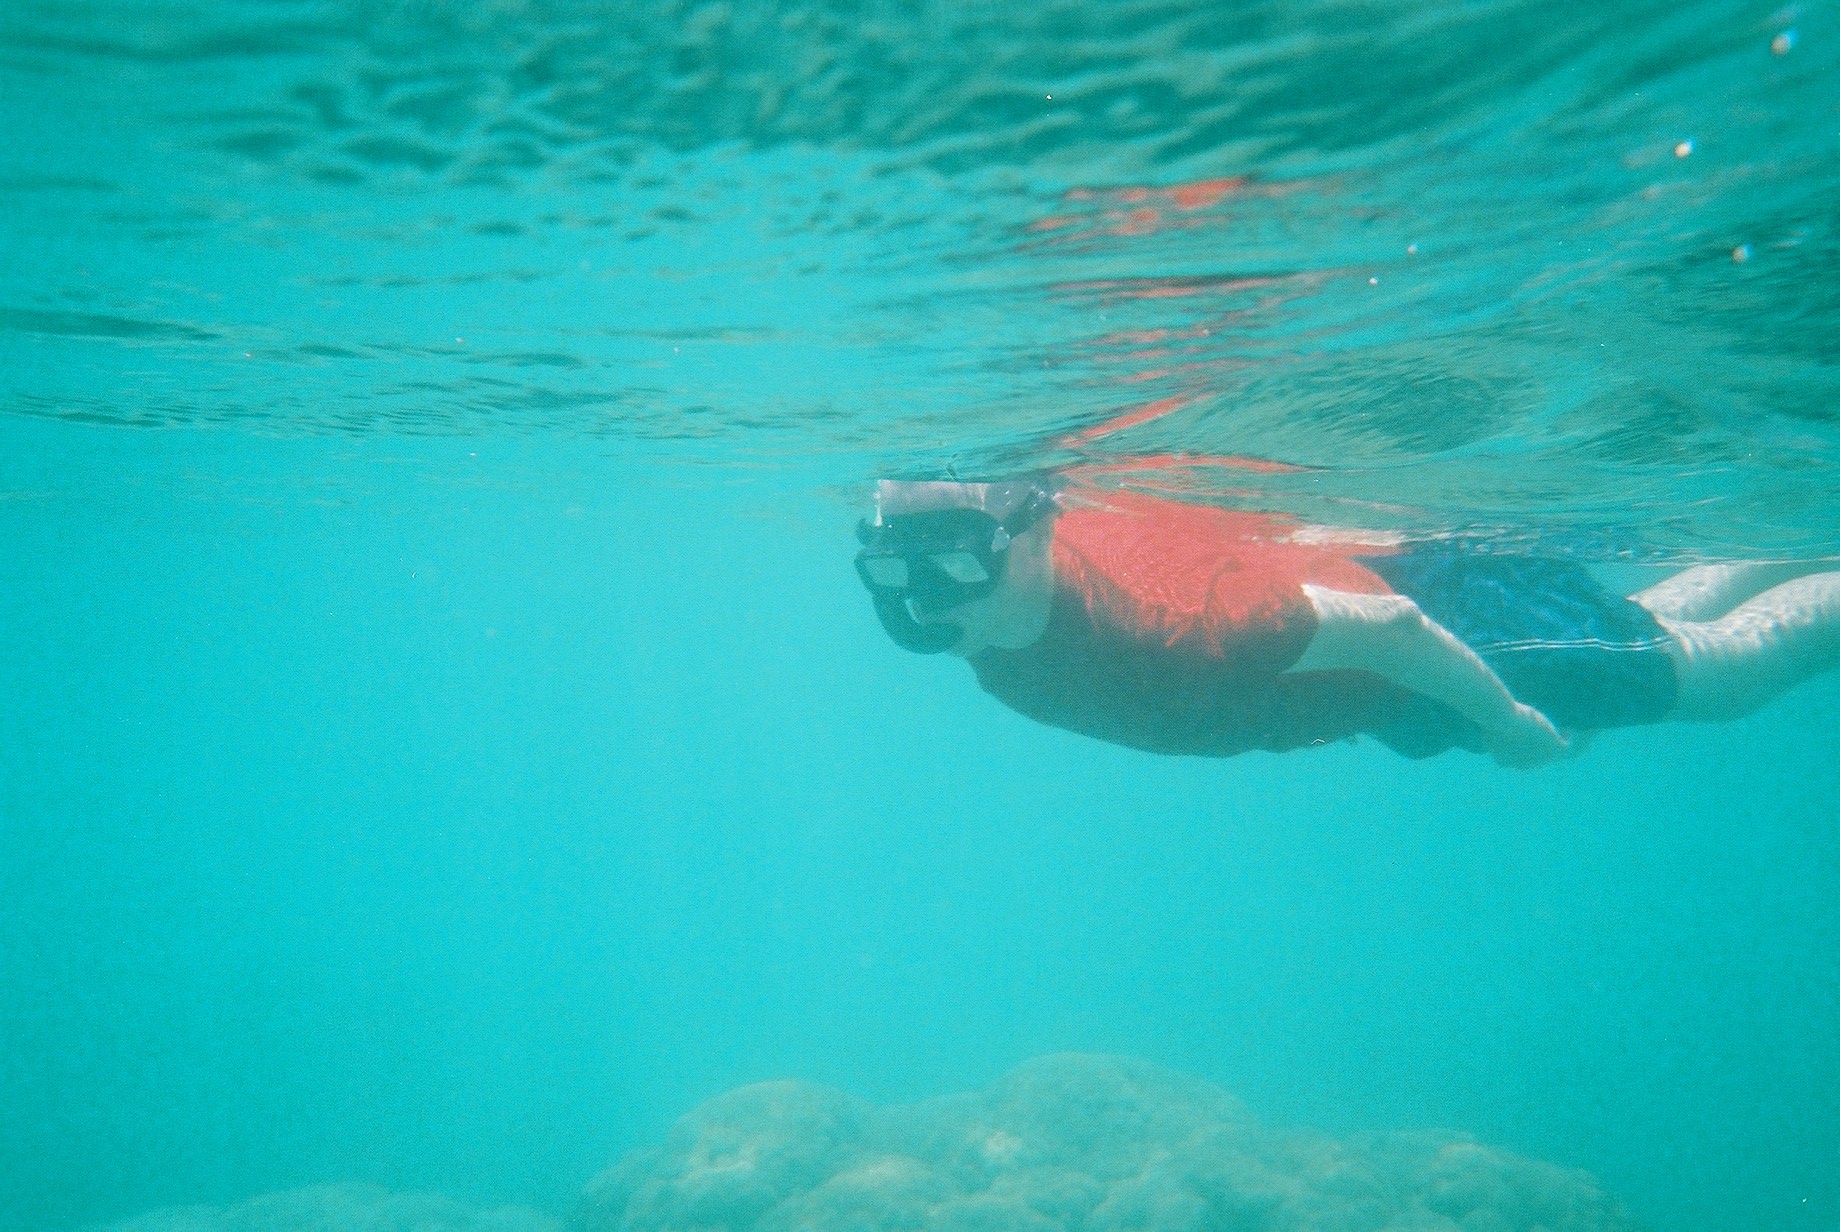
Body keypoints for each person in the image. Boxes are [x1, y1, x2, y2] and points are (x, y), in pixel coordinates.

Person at [852, 474, 1840, 766]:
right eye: (891, 566)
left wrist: (1504, 726)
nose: (923, 597)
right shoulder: (982, 622)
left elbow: (1388, 624)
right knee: (1646, 630)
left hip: (1446, 626)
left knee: (1709, 674)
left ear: (1041, 525)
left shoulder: (1178, 619)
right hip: (1367, 692)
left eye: (954, 558)